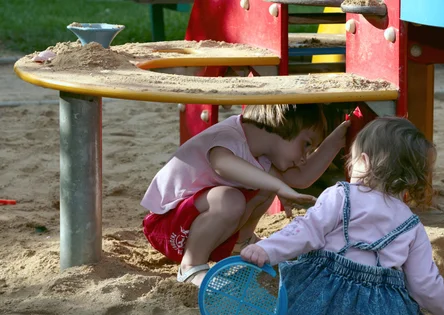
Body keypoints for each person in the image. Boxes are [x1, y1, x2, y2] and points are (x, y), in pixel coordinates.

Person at [241, 116, 444, 315]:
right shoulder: (412, 226)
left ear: (363, 161)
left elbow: (306, 231)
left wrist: (267, 248)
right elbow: (426, 286)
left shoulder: (340, 196)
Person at [141, 104, 350, 287]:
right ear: (284, 122)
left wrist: (339, 139)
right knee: (230, 199)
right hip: (166, 227)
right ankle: (191, 266)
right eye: (306, 145)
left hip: (201, 230)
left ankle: (241, 244)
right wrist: (278, 186)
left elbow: (300, 177)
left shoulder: (263, 155)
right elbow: (222, 165)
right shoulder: (228, 136)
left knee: (260, 185)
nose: (305, 158)